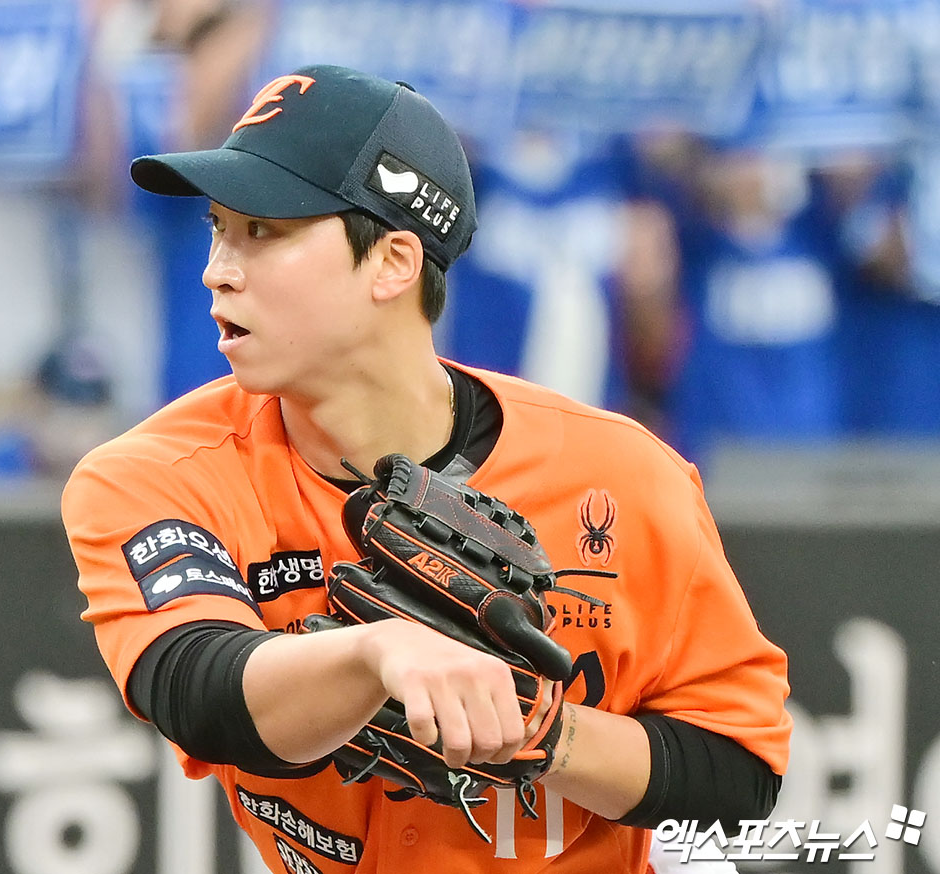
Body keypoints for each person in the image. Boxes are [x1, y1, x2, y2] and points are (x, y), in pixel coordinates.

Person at [62, 65, 792, 871]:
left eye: (262, 230)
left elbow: (740, 770)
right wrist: (377, 658)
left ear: (394, 263)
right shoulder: (153, 473)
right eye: (218, 228)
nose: (218, 269)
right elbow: (197, 690)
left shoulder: (625, 474)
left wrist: (535, 730)